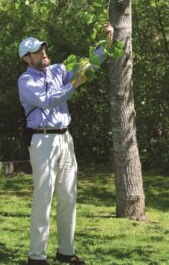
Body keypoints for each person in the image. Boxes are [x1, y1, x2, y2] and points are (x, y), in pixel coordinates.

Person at [18, 24, 114, 265]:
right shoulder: (26, 80)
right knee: (44, 198)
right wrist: (74, 84)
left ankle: (66, 251)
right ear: (27, 59)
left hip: (65, 138)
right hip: (42, 140)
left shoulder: (59, 69)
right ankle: (37, 256)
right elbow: (48, 101)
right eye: (37, 51)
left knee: (68, 196)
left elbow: (88, 66)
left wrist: (107, 43)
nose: (43, 52)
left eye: (43, 48)